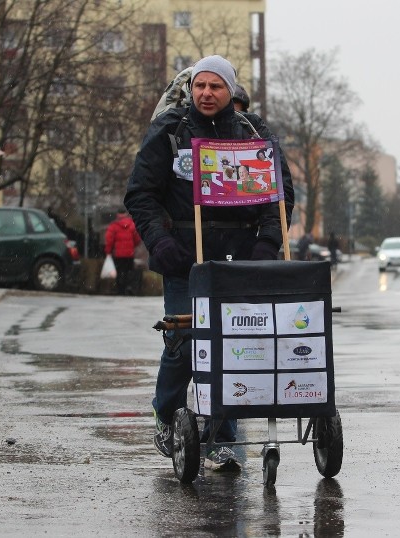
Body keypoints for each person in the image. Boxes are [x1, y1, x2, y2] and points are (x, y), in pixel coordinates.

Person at [124, 54, 294, 472]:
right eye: (200, 85)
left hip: (239, 257)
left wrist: (267, 243)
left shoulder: (253, 132)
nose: (206, 93)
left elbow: (280, 195)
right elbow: (140, 194)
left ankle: (223, 434)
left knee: (231, 347)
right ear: (191, 88)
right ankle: (166, 413)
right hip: (184, 256)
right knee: (184, 343)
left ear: (229, 90)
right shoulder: (171, 130)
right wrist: (160, 243)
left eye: (215, 86)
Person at [103, 207, 142, 295]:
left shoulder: (113, 226)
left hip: (118, 254)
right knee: (129, 271)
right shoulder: (132, 225)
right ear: (126, 214)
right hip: (129, 254)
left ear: (117, 214)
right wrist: (132, 246)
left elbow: (109, 240)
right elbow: (137, 239)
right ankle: (129, 287)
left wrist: (108, 251)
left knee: (120, 271)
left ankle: (120, 290)